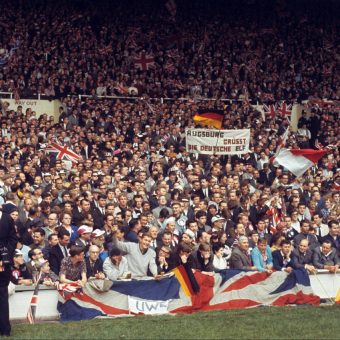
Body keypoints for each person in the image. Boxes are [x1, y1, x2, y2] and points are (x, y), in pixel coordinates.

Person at [0, 207, 17, 336]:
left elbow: (13, 239)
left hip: (3, 264)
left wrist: (5, 257)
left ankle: (4, 329)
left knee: (2, 294)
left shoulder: (7, 218)